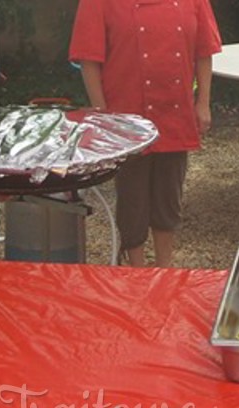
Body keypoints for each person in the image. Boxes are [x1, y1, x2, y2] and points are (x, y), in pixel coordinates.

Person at [69, 0, 222, 267]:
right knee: (132, 197)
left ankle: (165, 267)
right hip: (126, 116)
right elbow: (88, 60)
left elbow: (204, 50)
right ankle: (136, 271)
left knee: (169, 195)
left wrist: (203, 102)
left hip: (174, 112)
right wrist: (103, 115)